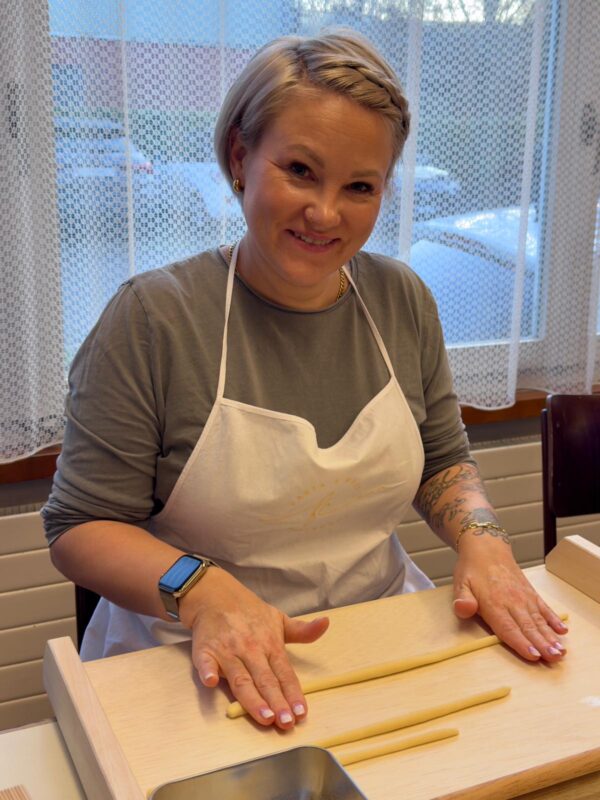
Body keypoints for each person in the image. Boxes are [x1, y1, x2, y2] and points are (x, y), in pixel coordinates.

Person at [42, 28, 567, 733]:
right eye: (299, 170)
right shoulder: (153, 318)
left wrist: (484, 542)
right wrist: (201, 589)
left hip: (376, 637)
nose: (325, 213)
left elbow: (441, 460)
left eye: (359, 187)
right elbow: (81, 526)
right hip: (187, 664)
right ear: (240, 157)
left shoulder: (402, 300)